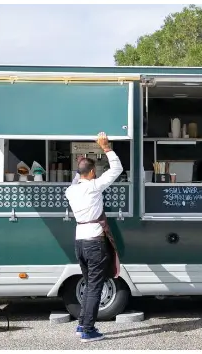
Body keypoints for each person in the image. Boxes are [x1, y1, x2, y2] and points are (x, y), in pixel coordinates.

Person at [65, 132, 123, 343]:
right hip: (95, 242)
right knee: (95, 287)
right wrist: (105, 147)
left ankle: (82, 324)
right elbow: (117, 170)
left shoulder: (71, 191)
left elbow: (77, 176)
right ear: (92, 172)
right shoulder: (94, 186)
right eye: (94, 171)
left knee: (89, 285)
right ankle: (87, 330)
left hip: (80, 241)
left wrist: (82, 161)